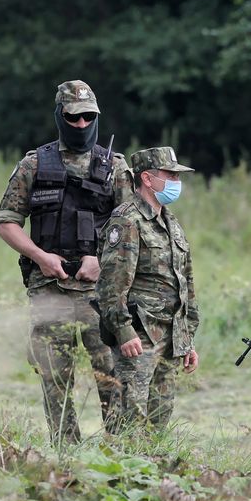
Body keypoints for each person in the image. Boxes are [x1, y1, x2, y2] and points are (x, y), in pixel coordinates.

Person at [0, 80, 130, 443]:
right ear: (60, 116)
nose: (82, 125)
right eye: (74, 118)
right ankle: (64, 453)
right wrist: (41, 257)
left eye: (89, 117)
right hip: (49, 288)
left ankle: (118, 452)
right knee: (55, 380)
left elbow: (133, 229)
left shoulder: (115, 167)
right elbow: (7, 223)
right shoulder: (34, 164)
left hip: (98, 291)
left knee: (112, 374)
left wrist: (100, 260)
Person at [96, 147, 200, 431]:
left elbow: (185, 281)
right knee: (130, 419)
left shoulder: (171, 222)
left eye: (178, 176)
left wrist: (187, 339)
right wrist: (123, 330)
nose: (176, 182)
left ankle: (154, 474)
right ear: (147, 178)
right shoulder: (127, 220)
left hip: (170, 337)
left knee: (158, 422)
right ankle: (121, 473)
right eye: (170, 175)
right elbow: (112, 283)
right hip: (140, 338)